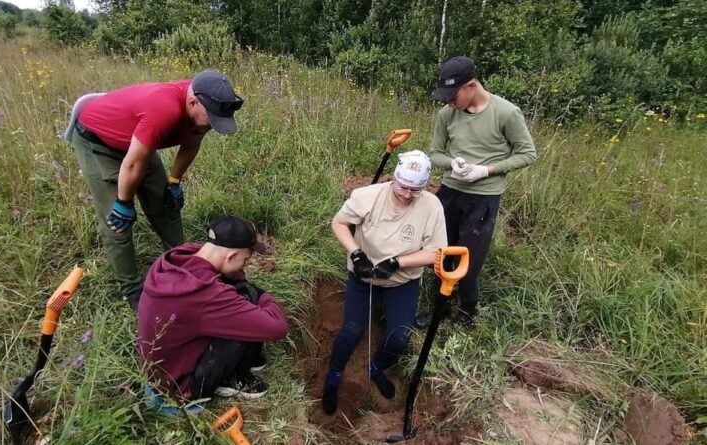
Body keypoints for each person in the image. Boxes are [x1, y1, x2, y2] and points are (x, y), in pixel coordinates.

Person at [68, 70, 243, 310]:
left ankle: (184, 264)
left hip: (137, 142)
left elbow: (191, 143)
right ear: (192, 102)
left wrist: (173, 181)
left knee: (165, 203)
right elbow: (132, 164)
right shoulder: (164, 110)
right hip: (100, 143)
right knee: (117, 222)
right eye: (211, 120)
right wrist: (124, 202)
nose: (213, 125)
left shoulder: (201, 106)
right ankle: (133, 292)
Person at [321, 151, 448, 415]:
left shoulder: (431, 206)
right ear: (394, 178)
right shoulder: (368, 196)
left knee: (400, 336)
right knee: (352, 330)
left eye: (416, 189)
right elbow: (340, 222)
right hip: (363, 277)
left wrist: (398, 262)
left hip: (403, 282)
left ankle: (377, 368)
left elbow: (437, 252)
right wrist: (356, 254)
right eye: (403, 186)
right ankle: (333, 375)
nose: (407, 194)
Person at [417, 56, 536, 329]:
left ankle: (468, 310)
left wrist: (487, 170)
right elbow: (435, 153)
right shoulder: (446, 114)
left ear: (471, 85)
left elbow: (527, 154)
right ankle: (440, 308)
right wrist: (452, 163)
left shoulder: (506, 113)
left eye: (453, 96)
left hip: (484, 196)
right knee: (441, 251)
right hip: (450, 191)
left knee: (470, 257)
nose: (449, 103)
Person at [138, 216, 289, 403]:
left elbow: (235, 276)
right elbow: (277, 327)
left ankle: (244, 360)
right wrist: (262, 295)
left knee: (240, 291)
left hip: (161, 367)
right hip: (179, 387)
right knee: (247, 304)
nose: (245, 265)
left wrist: (237, 278)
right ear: (231, 256)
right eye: (246, 259)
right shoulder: (206, 294)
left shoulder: (178, 257)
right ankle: (229, 379)